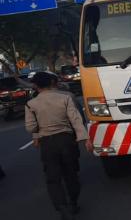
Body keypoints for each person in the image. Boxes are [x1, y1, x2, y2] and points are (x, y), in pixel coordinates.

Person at [25, 72, 93, 220]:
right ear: (51, 82)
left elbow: (31, 127)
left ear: (36, 86)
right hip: (67, 140)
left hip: (47, 144)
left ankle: (62, 208)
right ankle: (73, 203)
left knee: (53, 178)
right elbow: (76, 120)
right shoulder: (65, 98)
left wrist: (37, 135)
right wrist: (85, 139)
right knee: (71, 174)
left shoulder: (31, 104)